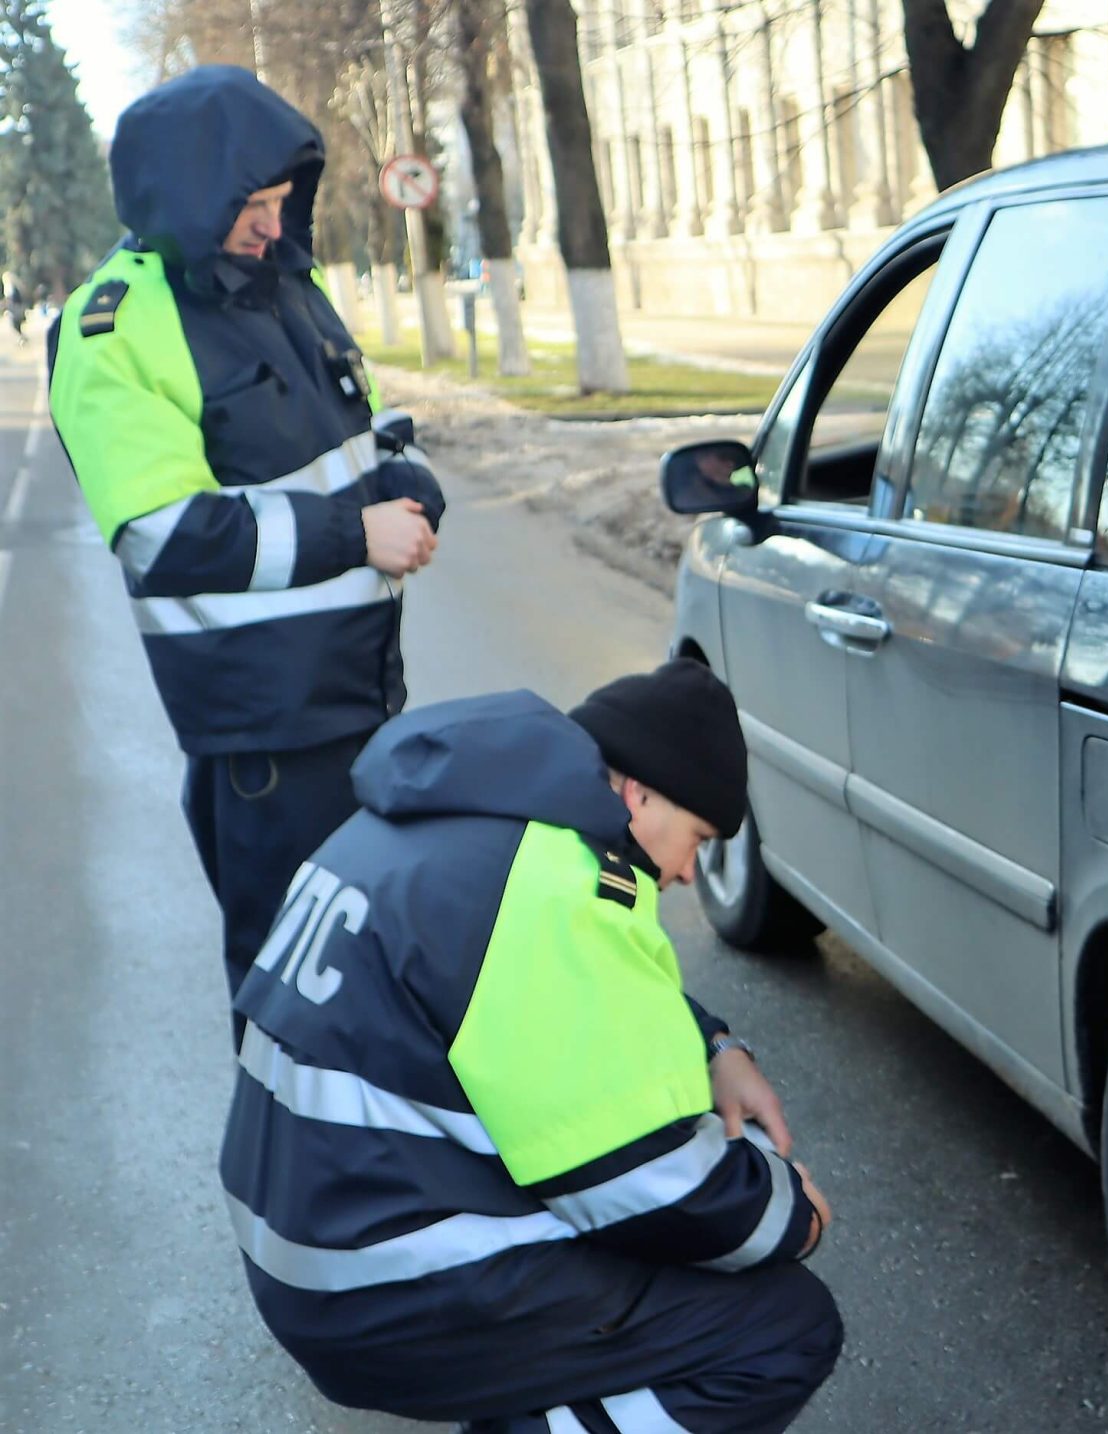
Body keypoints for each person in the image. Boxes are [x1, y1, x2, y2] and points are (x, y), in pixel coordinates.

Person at [219, 660, 842, 1433]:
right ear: (639, 793)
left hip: (313, 1241)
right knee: (781, 1326)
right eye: (696, 839)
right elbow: (652, 1184)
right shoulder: (556, 884)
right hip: (380, 1284)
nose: (686, 872)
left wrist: (713, 1042)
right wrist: (788, 1210)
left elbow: (534, 985)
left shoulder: (466, 821)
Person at [48, 67, 443, 1006]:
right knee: (297, 1003)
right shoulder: (116, 327)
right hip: (267, 740)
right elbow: (165, 536)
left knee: (381, 990)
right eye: (250, 204)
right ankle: (289, 1160)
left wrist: (412, 486)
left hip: (363, 700)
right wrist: (357, 535)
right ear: (189, 195)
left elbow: (369, 431)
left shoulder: (282, 288)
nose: (272, 223)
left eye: (278, 200)